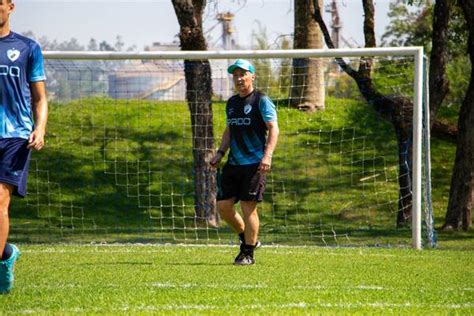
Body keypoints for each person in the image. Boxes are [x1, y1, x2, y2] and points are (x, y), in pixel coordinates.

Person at [210, 59, 279, 265]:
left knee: (249, 209)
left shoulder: (261, 100)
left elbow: (274, 128)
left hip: (254, 164)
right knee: (223, 206)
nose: (239, 78)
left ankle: (248, 253)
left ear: (252, 76)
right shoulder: (231, 103)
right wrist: (220, 152)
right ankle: (247, 237)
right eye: (235, 75)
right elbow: (229, 130)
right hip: (233, 164)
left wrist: (267, 156)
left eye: (243, 74)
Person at [0, 0, 48, 293]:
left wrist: (39, 128)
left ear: (10, 6)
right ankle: (6, 255)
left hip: (14, 136)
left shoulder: (28, 48)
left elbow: (40, 98)